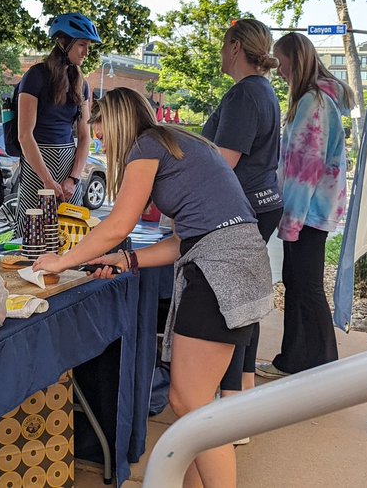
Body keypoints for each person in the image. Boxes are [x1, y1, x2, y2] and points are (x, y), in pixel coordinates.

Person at [34, 87, 273, 488]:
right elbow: (186, 239)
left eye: (99, 126)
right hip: (238, 266)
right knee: (198, 411)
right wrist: (127, 259)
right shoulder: (178, 142)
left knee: (190, 402)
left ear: (118, 119)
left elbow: (117, 225)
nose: (98, 137)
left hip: (221, 271)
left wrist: (64, 259)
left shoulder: (146, 145)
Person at [201, 19, 283, 421]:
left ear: (235, 47)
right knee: (245, 307)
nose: (219, 52)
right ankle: (243, 403)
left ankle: (233, 411)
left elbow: (223, 165)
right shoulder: (263, 91)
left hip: (241, 211)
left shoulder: (244, 95)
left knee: (230, 311)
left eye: (221, 44)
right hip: (262, 205)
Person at [260, 32, 353, 378]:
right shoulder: (319, 100)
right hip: (315, 211)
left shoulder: (311, 103)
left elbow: (304, 169)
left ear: (294, 61)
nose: (279, 69)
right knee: (300, 283)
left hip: (307, 213)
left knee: (305, 285)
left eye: (281, 62)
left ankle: (316, 363)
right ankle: (301, 360)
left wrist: (292, 220)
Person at [15, 13, 97, 225]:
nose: (86, 52)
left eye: (88, 46)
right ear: (63, 42)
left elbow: (85, 136)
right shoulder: (35, 76)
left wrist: (74, 179)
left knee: (70, 232)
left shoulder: (83, 84)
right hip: (37, 164)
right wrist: (46, 179)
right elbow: (24, 135)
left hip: (70, 166)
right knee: (33, 233)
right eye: (81, 44)